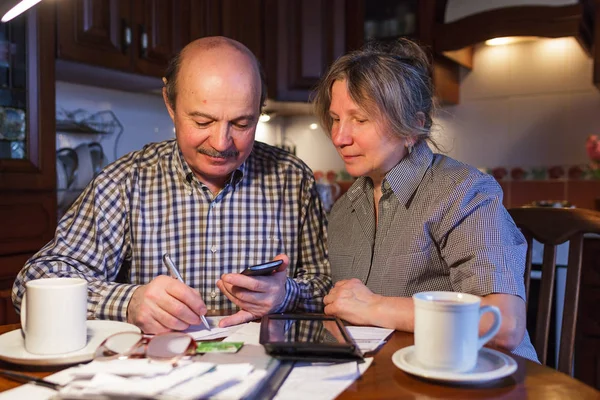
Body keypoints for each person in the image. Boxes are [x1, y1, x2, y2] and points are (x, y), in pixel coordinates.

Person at [13, 36, 331, 333]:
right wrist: (129, 301)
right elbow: (34, 281)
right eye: (203, 122)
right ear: (170, 102)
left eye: (242, 123)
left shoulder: (293, 179)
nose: (221, 143)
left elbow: (328, 286)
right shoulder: (125, 182)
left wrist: (285, 294)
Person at [313, 38, 538, 361]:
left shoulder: (463, 192)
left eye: (360, 119)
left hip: (488, 384)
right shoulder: (344, 210)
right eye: (335, 119)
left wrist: (376, 306)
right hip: (398, 379)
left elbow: (503, 324)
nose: (339, 137)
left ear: (413, 127)